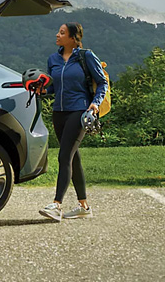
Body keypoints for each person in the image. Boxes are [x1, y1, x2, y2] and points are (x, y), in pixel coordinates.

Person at [37, 22, 107, 222]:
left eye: (62, 32)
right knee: (73, 157)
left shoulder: (86, 56)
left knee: (64, 155)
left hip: (79, 111)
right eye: (58, 31)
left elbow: (102, 82)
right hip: (59, 113)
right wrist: (43, 90)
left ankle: (56, 205)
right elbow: (53, 87)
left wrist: (95, 104)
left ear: (73, 37)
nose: (57, 35)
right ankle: (83, 206)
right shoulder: (53, 59)